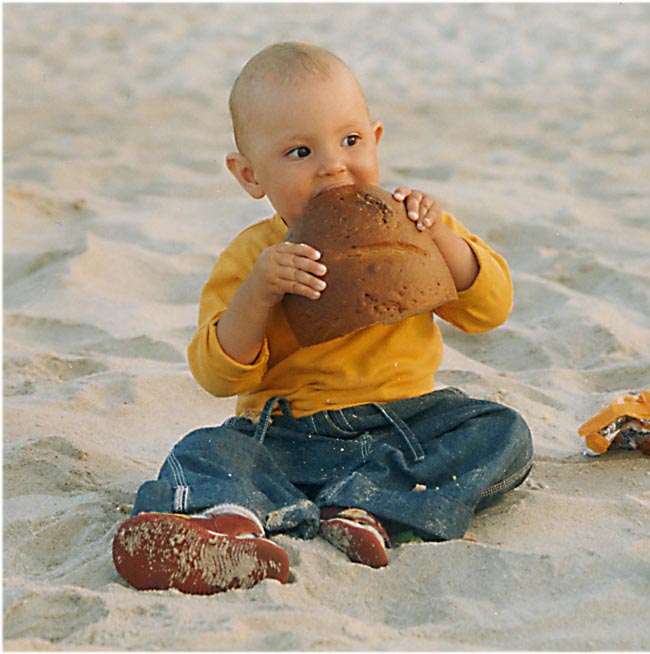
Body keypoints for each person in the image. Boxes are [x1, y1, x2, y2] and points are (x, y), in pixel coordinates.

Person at [111, 42, 533, 594]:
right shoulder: (254, 257)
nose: (333, 164)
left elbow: (490, 309)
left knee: (503, 431)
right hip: (288, 432)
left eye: (350, 141)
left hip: (404, 426)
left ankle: (370, 510)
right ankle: (227, 526)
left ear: (375, 140)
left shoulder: (409, 223)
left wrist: (440, 238)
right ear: (249, 175)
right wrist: (260, 294)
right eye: (299, 152)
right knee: (205, 449)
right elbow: (217, 375)